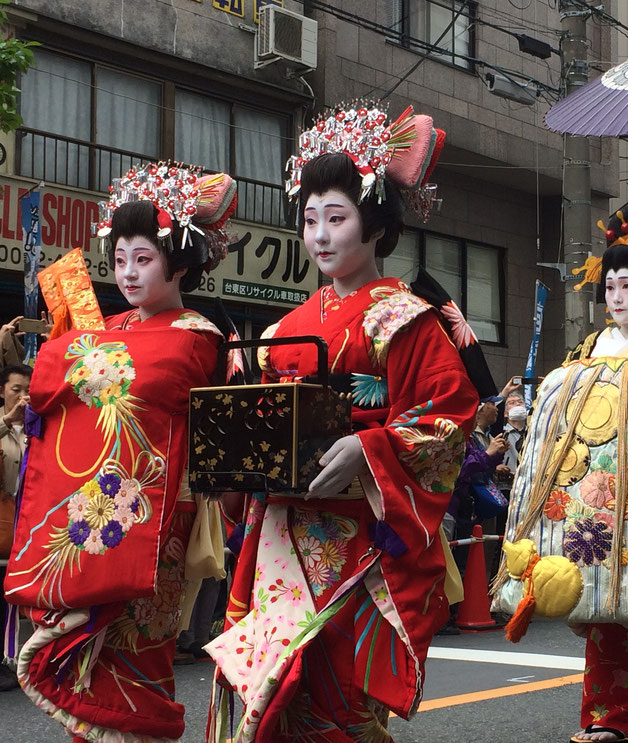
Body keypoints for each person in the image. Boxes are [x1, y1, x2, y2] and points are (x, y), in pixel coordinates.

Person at [205, 103, 477, 743]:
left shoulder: (405, 319)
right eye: (309, 220)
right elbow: (256, 418)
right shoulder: (280, 331)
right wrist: (233, 464)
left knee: (340, 702)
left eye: (338, 218)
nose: (321, 236)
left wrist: (370, 445)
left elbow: (449, 419)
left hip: (361, 538)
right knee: (272, 695)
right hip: (281, 532)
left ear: (376, 224)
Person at [3, 163, 234, 741]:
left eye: (144, 259)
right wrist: (71, 352)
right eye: (120, 259)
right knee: (86, 666)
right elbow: (62, 379)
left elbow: (120, 373)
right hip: (95, 502)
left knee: (137, 655)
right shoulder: (111, 327)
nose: (127, 273)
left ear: (179, 262)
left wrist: (71, 355)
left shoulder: (198, 335)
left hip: (156, 518)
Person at [497, 201, 628, 743]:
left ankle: (623, 722)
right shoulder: (588, 347)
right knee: (598, 605)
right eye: (609, 285)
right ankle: (604, 718)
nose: (614, 296)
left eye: (626, 285)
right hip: (588, 490)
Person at [1, 363, 31, 693]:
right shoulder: (4, 424)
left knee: (9, 597)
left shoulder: (35, 428)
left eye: (28, 391)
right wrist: (7, 422)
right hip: (2, 520)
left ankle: (8, 658)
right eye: (16, 390)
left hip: (21, 528)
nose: (23, 397)